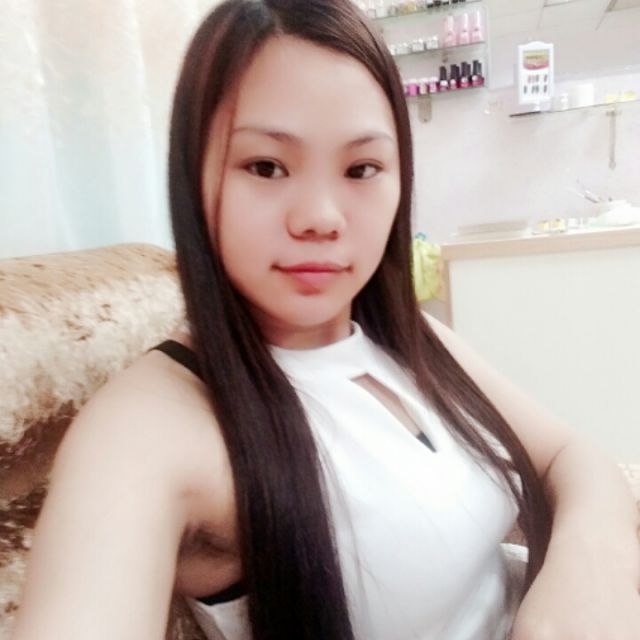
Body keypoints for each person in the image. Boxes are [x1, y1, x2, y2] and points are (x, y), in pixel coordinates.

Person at [10, 1, 640, 639]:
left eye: (361, 169)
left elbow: (570, 453)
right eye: (266, 166)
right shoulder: (153, 423)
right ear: (192, 176)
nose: (320, 217)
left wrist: (588, 568)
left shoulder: (406, 337)